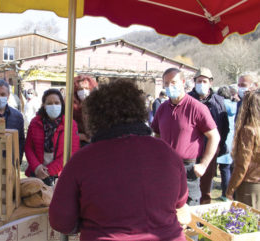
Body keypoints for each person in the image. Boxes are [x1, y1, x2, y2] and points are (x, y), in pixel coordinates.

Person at [50, 80, 188, 240]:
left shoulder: (82, 160)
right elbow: (180, 201)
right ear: (138, 110)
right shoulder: (167, 152)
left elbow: (61, 221)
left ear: (94, 116)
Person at [151, 68, 220, 206]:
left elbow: (214, 136)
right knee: (166, 206)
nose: (169, 86)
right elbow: (157, 133)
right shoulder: (162, 108)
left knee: (189, 210)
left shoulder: (197, 108)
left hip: (188, 168)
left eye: (173, 82)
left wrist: (204, 164)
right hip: (166, 166)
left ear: (183, 82)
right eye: (166, 83)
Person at [189, 67, 229, 204]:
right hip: (191, 152)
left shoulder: (218, 101)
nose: (202, 84)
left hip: (210, 151)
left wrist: (219, 147)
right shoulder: (187, 99)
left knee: (206, 188)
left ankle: (203, 219)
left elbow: (224, 127)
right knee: (188, 187)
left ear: (211, 82)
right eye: (199, 81)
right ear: (194, 82)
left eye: (205, 81)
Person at [25, 89, 79, 186]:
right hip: (36, 173)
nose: (53, 106)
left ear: (61, 104)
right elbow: (28, 147)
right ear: (44, 106)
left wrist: (50, 171)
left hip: (59, 175)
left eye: (56, 102)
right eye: (49, 103)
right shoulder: (35, 123)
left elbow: (72, 150)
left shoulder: (70, 124)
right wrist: (37, 167)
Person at [226, 90, 259, 209]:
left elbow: (242, 165)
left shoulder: (248, 130)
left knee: (248, 223)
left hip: (250, 185)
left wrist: (230, 189)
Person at [217, 86, 237, 201]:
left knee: (216, 169)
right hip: (231, 139)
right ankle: (226, 193)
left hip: (220, 139)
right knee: (226, 169)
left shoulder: (218, 106)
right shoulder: (234, 106)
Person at [73, 75, 98, 147]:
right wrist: (80, 136)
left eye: (86, 88)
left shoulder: (97, 106)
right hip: (78, 144)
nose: (83, 91)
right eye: (80, 89)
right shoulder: (71, 107)